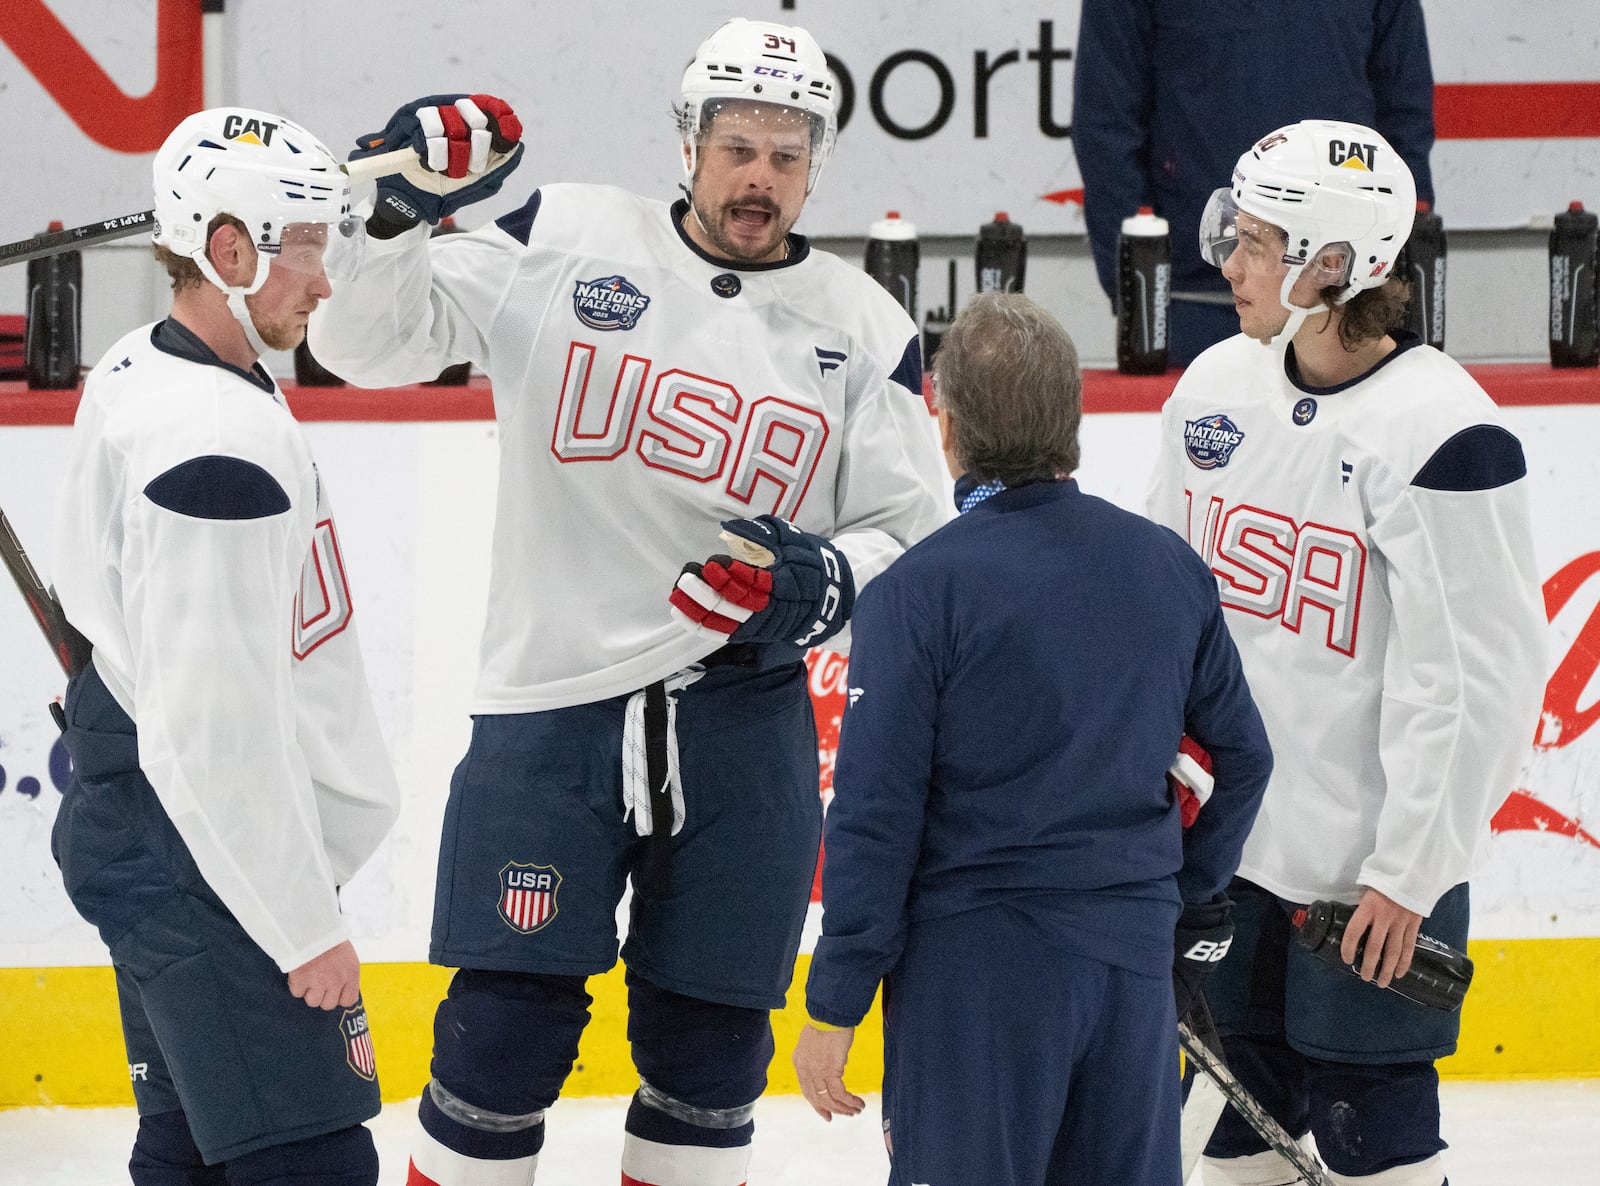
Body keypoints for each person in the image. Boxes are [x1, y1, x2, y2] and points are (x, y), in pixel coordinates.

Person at [306, 17, 948, 1186]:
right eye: (738, 145)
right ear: (690, 143)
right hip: (551, 706)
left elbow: (915, 540)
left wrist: (820, 581)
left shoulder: (864, 325)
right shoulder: (562, 234)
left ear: (817, 166)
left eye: (788, 155)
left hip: (742, 720)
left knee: (710, 1060)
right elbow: (364, 344)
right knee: (498, 1037)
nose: (760, 176)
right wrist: (395, 217)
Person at [791, 292, 1275, 1185]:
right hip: (1128, 965)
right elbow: (1245, 758)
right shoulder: (1168, 567)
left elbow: (875, 814)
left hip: (974, 976)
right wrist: (1178, 897)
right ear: (1073, 419)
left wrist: (835, 999)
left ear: (946, 426)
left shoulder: (916, 593)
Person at [1145, 120, 1547, 1186]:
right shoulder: (1214, 388)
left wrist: (1407, 873)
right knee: (1232, 1129)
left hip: (1366, 880)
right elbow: (1161, 611)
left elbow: (1476, 681)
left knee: (1371, 1129)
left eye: (1257, 239)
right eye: (1229, 230)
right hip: (1229, 854)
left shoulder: (1442, 433)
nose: (1226, 259)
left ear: (1334, 267)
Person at [48, 107, 401, 1185]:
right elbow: (213, 736)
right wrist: (300, 927)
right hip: (209, 869)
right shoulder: (215, 449)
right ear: (228, 248)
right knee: (312, 1163)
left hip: (163, 839)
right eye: (302, 249)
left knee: (195, 1147)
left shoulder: (141, 368)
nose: (323, 282)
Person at [1072, 0, 1437, 366]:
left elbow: (1404, 116)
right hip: (1192, 300)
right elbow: (1106, 126)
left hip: (1340, 294)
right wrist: (1141, 289)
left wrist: (1399, 268)